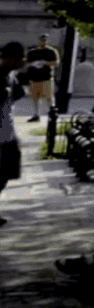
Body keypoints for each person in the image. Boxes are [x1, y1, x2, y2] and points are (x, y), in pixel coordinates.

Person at [0, 42, 23, 226]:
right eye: (19, 58)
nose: (22, 62)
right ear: (9, 58)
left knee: (6, 174)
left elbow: (18, 94)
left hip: (7, 132)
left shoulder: (11, 77)